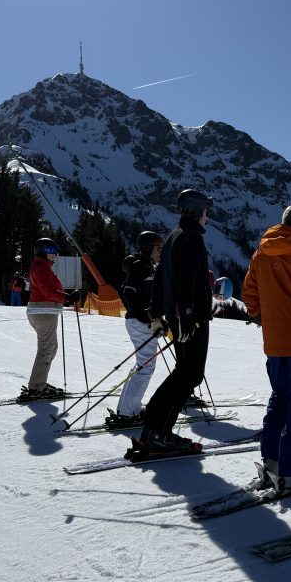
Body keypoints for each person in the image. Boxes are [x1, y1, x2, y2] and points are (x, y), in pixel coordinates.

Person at [242, 203, 291, 491]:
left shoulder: (261, 253)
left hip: (274, 341)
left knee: (280, 397)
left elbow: (249, 290)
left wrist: (260, 315)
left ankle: (272, 459)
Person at [137, 189, 215, 454]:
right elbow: (186, 282)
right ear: (198, 211)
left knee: (184, 373)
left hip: (178, 317)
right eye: (206, 210)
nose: (208, 215)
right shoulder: (192, 238)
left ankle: (154, 429)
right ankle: (157, 432)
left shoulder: (174, 236)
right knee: (189, 374)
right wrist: (187, 319)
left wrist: (157, 313)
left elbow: (160, 278)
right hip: (189, 320)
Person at [107, 231, 166, 428]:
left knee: (142, 365)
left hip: (141, 321)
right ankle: (127, 413)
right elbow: (128, 294)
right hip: (140, 323)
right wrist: (146, 317)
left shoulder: (145, 265)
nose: (160, 252)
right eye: (158, 248)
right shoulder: (141, 266)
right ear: (149, 248)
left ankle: (128, 409)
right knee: (146, 367)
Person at [18, 238, 67, 401]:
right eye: (53, 252)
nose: (55, 255)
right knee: (46, 350)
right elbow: (47, 291)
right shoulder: (41, 268)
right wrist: (66, 297)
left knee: (51, 348)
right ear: (45, 252)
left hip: (42, 310)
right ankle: (36, 387)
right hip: (44, 311)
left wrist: (65, 295)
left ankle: (39, 383)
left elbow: (46, 288)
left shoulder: (40, 266)